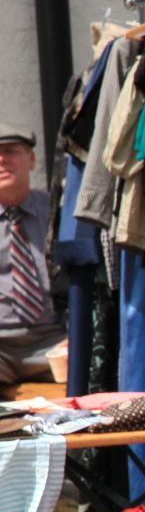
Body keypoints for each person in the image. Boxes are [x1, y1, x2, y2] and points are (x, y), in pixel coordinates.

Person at [0, 124, 66, 387]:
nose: (2, 160)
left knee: (95, 373)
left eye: (10, 151)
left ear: (31, 159)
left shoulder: (56, 213)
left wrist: (76, 338)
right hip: (1, 346)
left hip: (52, 341)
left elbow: (79, 282)